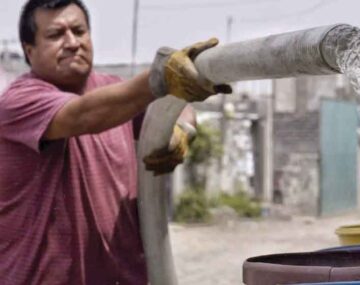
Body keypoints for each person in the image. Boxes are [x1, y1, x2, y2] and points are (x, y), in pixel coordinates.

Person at [0, 0, 231, 284]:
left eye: (79, 31)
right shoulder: (19, 101)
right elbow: (83, 114)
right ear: (29, 50)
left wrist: (181, 127)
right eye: (55, 35)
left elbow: (175, 106)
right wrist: (159, 76)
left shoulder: (114, 90)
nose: (72, 42)